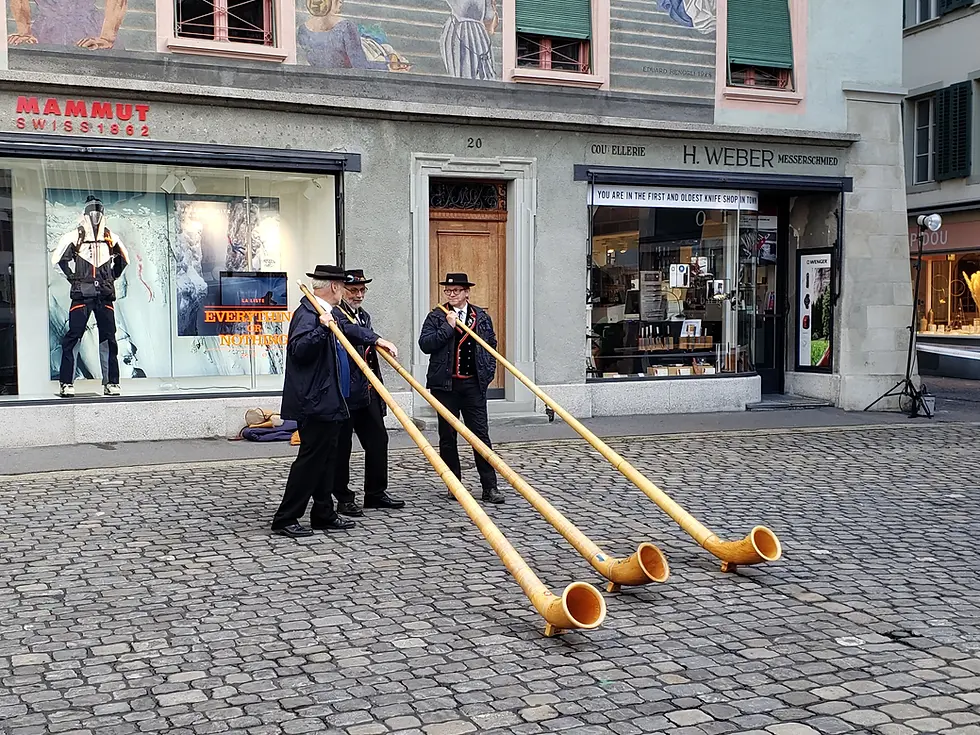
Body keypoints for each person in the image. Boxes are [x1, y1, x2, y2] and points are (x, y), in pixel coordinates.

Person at [271, 264, 398, 538]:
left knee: (328, 460)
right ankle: (286, 517)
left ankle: (324, 512)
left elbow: (352, 331)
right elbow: (298, 351)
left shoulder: (327, 313)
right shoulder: (308, 314)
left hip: (331, 401)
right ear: (334, 287)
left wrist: (377, 340)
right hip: (314, 402)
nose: (345, 291)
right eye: (343, 286)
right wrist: (321, 329)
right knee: (310, 461)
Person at [418, 272, 503, 504]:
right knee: (447, 437)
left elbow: (491, 345)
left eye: (456, 290)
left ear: (467, 292)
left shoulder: (481, 317)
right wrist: (448, 327)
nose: (451, 294)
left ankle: (490, 487)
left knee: (480, 435)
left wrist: (486, 374)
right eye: (448, 290)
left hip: (473, 385)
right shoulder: (437, 316)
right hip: (445, 387)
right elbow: (425, 344)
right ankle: (454, 485)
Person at [333, 269, 406, 516]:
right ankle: (342, 498)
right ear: (341, 290)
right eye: (354, 290)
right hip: (344, 392)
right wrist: (377, 339)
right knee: (342, 447)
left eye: (363, 290)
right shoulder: (335, 314)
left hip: (367, 390)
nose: (359, 295)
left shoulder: (363, 315)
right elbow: (349, 332)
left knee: (378, 440)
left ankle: (375, 493)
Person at [53, 196, 129, 397]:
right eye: (92, 211)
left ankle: (112, 382)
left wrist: (110, 278)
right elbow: (58, 260)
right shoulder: (75, 237)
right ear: (85, 214)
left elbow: (124, 259)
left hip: (103, 295)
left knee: (108, 338)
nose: (95, 215)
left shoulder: (111, 237)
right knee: (74, 337)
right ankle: (66, 383)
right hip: (83, 294)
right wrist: (74, 279)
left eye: (98, 211)